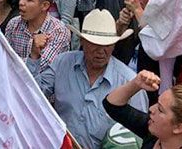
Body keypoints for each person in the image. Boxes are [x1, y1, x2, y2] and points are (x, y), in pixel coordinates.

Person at [28, 9, 148, 148]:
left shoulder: (129, 82)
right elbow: (32, 96)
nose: (101, 51)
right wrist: (34, 57)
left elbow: (139, 133)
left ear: (114, 45)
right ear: (82, 41)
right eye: (95, 44)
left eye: (107, 45)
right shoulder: (63, 63)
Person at [104, 70, 182, 149]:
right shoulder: (154, 133)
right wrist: (136, 83)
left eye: (160, 109)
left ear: (178, 127)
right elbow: (112, 105)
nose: (151, 109)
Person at [5, 0, 70, 73]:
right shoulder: (13, 24)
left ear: (45, 6)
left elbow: (43, 68)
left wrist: (33, 55)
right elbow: (4, 59)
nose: (21, 3)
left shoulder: (59, 31)